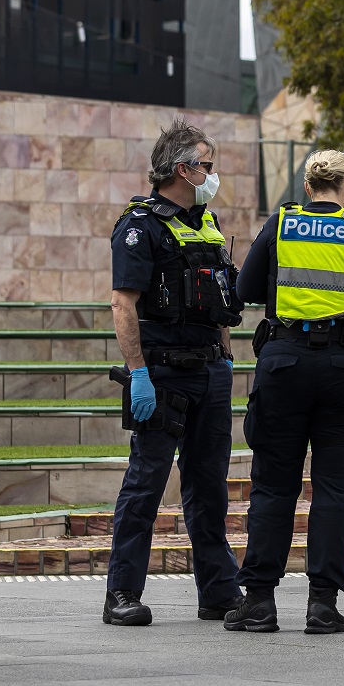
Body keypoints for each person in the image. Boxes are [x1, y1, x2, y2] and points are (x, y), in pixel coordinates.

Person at [227, 149, 344, 634]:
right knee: (335, 489)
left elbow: (243, 289)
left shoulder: (280, 224)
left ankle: (258, 600)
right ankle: (322, 604)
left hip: (283, 366)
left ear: (307, 187)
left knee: (274, 486)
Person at [104, 120, 245, 626]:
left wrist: (226, 358)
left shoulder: (206, 223)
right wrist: (137, 373)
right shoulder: (140, 225)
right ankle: (121, 593)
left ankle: (219, 592)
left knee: (209, 489)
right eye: (206, 165)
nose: (212, 174)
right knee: (145, 485)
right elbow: (123, 304)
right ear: (182, 169)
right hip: (162, 376)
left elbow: (220, 303)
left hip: (209, 372)